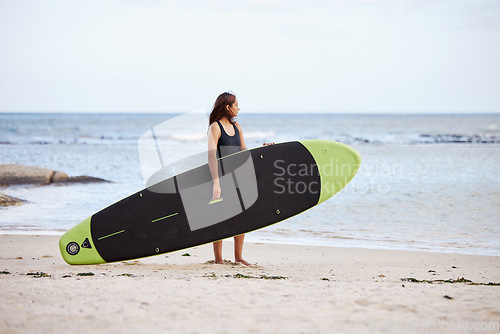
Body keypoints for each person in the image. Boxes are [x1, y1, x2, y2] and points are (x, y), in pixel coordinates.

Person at [207, 91, 251, 266]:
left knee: (241, 217)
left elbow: (244, 152)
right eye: (236, 105)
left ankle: (238, 257)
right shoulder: (215, 127)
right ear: (227, 107)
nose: (238, 108)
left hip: (237, 178)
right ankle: (218, 259)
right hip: (221, 178)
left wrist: (264, 150)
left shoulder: (237, 127)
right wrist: (216, 183)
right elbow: (211, 157)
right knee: (220, 217)